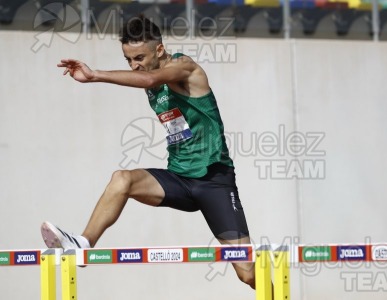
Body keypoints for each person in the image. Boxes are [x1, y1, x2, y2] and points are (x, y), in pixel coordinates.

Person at [41, 16, 255, 289]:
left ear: (160, 50)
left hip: (214, 180)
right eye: (128, 59)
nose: (134, 65)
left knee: (247, 273)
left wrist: (94, 75)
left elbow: (149, 77)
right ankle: (82, 245)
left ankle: (277, 294)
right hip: (179, 179)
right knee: (122, 179)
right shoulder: (151, 81)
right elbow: (147, 78)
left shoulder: (184, 67)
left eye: (139, 57)